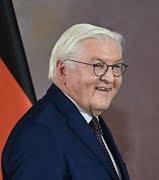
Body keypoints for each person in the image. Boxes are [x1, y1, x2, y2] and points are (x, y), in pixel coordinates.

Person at [2, 23, 130, 180]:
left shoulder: (90, 121)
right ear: (63, 70)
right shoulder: (40, 135)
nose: (110, 78)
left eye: (116, 66)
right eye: (98, 65)